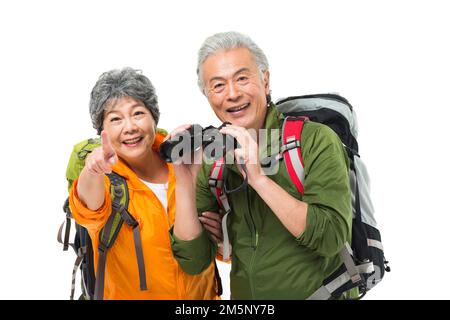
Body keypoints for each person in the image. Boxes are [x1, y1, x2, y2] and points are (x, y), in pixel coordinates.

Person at [169, 32, 356, 299]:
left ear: (265, 80)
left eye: (242, 78)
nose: (232, 94)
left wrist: (259, 179)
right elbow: (193, 261)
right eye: (218, 85)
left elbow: (330, 238)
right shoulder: (214, 159)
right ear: (207, 95)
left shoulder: (314, 140)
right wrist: (185, 183)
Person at [69, 67, 219, 300]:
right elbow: (87, 211)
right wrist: (93, 169)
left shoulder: (186, 163)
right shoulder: (105, 183)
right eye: (116, 119)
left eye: (138, 113)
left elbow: (223, 255)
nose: (130, 127)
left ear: (153, 118)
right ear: (103, 131)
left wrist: (221, 239)